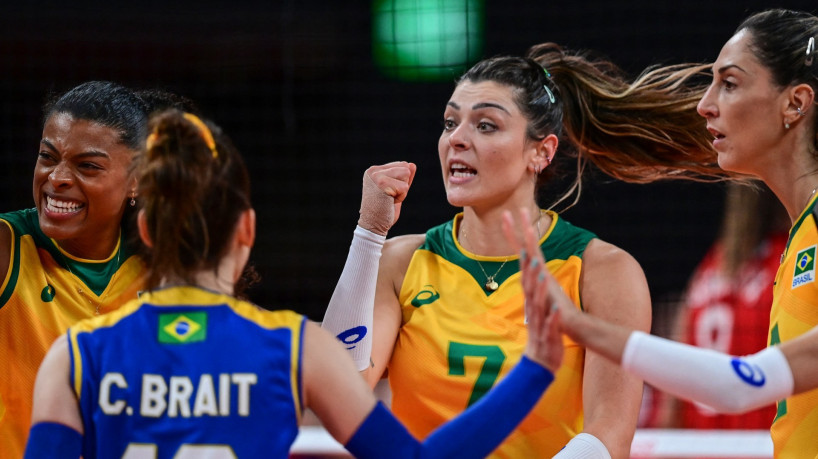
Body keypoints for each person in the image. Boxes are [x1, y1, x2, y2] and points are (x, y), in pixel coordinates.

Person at [23, 109, 564, 459]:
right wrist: (535, 371)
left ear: (144, 228)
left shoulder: (76, 355)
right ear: (247, 230)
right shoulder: (295, 348)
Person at [321, 41, 728, 458]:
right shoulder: (401, 262)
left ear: (542, 151)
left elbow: (610, 435)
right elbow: (335, 388)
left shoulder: (602, 271)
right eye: (449, 123)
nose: (457, 139)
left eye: (485, 125)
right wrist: (369, 233)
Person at [503, 9, 818, 458]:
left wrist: (579, 325)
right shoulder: (799, 238)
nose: (703, 104)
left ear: (796, 102)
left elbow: (740, 384)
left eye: (729, 83)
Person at [0, 81, 191, 456]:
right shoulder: (9, 248)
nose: (57, 179)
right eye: (47, 156)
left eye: (87, 166)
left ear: (137, 179)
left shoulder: (160, 272)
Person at [668, 182, 788, 429]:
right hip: (761, 439)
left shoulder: (710, 265)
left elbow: (673, 365)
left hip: (701, 441)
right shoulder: (789, 261)